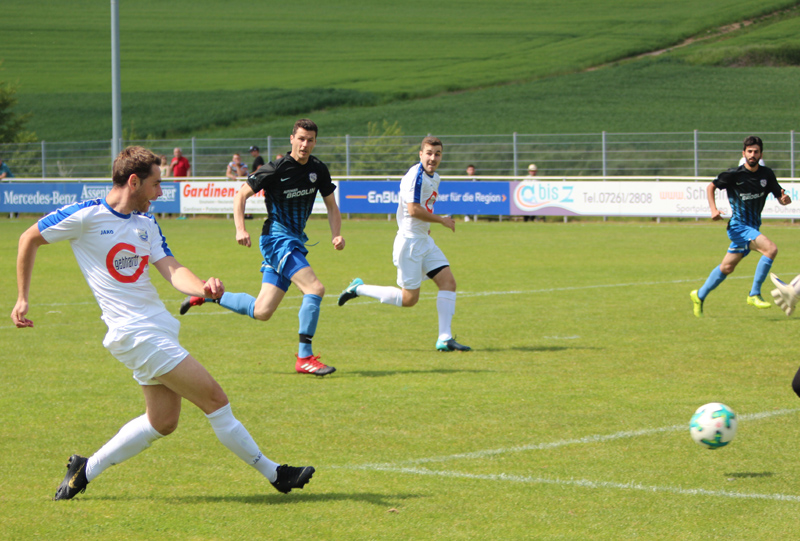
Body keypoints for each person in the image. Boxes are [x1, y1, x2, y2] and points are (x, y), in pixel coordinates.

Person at [10, 146, 314, 500]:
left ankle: (84, 469)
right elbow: (28, 237)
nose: (160, 192)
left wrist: (203, 287)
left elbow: (171, 269)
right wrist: (22, 297)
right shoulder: (86, 216)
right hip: (134, 334)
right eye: (156, 184)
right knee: (215, 398)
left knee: (163, 422)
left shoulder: (145, 223)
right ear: (134, 181)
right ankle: (275, 473)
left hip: (158, 328)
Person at [179, 119, 344, 376]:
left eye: (310, 140)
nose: (305, 144)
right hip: (277, 239)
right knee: (315, 288)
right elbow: (240, 195)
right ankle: (305, 358)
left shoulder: (318, 169)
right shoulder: (275, 168)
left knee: (262, 311)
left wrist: (337, 234)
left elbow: (332, 206)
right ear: (292, 139)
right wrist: (240, 228)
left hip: (293, 240)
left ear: (314, 142)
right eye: (301, 138)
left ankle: (210, 294)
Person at [337, 136, 471, 352]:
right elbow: (413, 210)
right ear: (420, 154)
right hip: (409, 244)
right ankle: (358, 288)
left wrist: (428, 227)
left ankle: (444, 338)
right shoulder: (415, 177)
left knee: (448, 283)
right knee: (409, 299)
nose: (433, 158)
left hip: (424, 241)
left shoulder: (434, 176)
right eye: (429, 153)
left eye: (437, 153)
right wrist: (441, 220)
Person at [690, 136, 791, 318]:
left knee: (727, 268)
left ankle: (699, 295)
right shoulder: (734, 174)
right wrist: (713, 210)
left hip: (752, 228)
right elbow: (711, 187)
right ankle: (754, 294)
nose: (753, 155)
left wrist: (785, 200)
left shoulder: (767, 175)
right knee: (771, 249)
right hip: (738, 227)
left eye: (756, 151)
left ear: (761, 154)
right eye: (749, 151)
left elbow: (781, 197)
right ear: (744, 153)